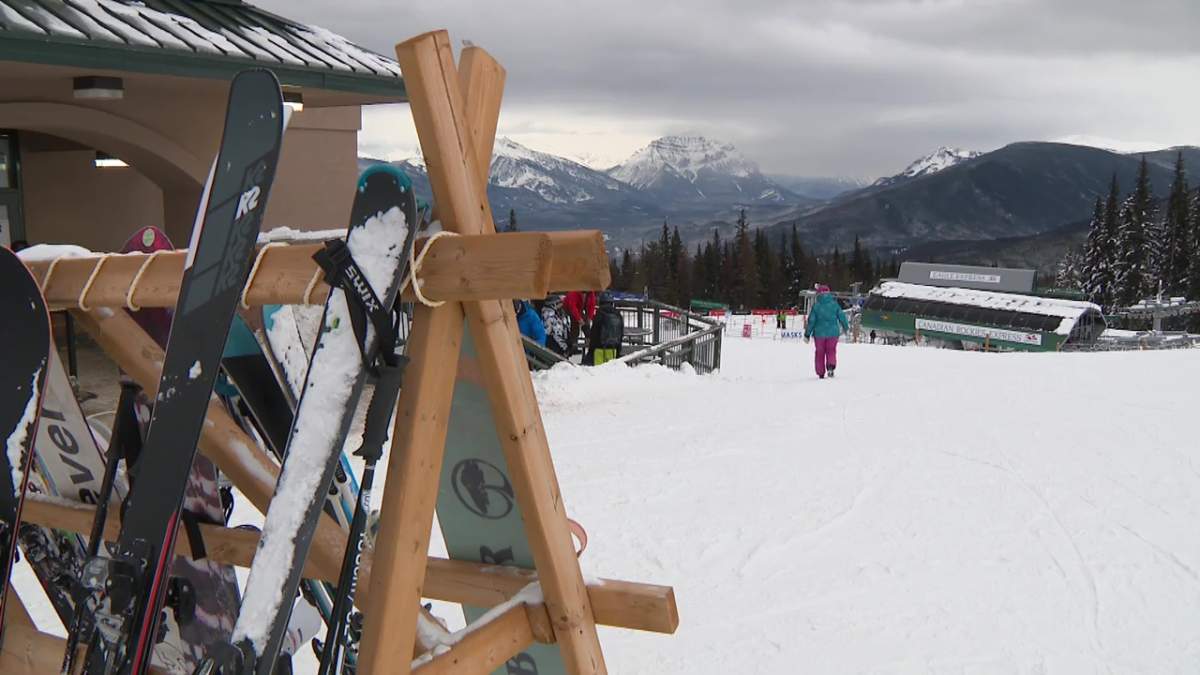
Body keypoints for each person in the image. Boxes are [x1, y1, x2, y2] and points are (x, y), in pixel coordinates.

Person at [803, 285, 849, 379]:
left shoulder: (816, 306)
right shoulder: (834, 304)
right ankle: (830, 367)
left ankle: (820, 372)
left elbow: (811, 321)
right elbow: (842, 316)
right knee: (831, 350)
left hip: (819, 334)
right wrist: (845, 327)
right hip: (833, 333)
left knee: (820, 352)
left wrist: (807, 334)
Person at [585, 300, 624, 365]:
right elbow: (621, 332)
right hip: (614, 349)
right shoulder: (617, 314)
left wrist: (591, 350)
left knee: (597, 371)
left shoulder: (600, 313)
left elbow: (594, 333)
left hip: (599, 349)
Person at [562, 290, 597, 356]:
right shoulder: (574, 293)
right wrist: (579, 319)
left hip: (580, 308)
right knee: (575, 325)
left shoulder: (591, 293)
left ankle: (589, 343)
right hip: (568, 307)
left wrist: (589, 317)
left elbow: (592, 305)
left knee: (586, 325)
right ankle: (573, 346)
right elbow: (572, 307)